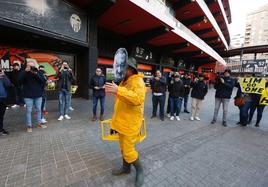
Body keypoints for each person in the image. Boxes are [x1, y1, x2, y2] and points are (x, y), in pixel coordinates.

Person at [105, 57, 145, 187]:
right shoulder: (124, 81)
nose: (120, 69)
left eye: (123, 67)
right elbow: (124, 97)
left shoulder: (138, 82)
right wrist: (117, 91)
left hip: (130, 124)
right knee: (123, 148)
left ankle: (140, 171)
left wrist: (118, 90)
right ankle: (126, 168)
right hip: (122, 122)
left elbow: (138, 99)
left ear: (130, 69)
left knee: (128, 151)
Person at [19, 62, 47, 133]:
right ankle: (29, 126)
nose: (31, 68)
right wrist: (25, 72)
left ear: (35, 66)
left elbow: (43, 81)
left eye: (32, 66)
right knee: (29, 111)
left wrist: (36, 74)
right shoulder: (24, 72)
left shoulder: (38, 72)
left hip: (38, 95)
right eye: (29, 66)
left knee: (39, 110)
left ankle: (39, 124)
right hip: (28, 96)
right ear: (27, 66)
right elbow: (19, 81)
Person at [0, 68, 12, 135]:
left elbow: (8, 84)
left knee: (1, 115)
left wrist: (4, 75)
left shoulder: (2, 76)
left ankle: (1, 129)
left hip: (3, 98)